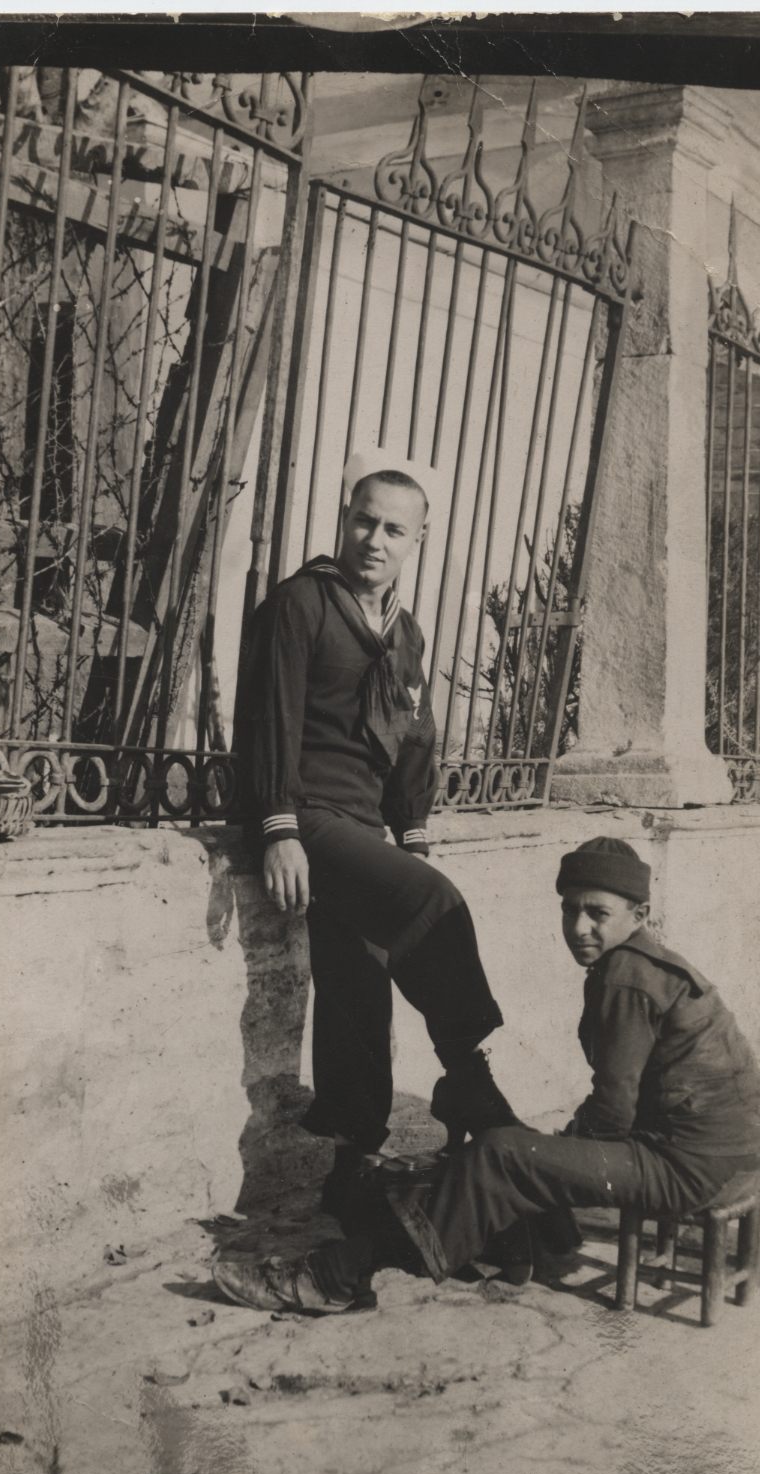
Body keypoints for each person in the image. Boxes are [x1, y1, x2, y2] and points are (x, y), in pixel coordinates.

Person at [212, 835, 760, 1314]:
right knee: (507, 1144)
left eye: (597, 913)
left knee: (500, 1157)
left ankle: (335, 1278)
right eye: (569, 908)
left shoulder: (625, 978)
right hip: (727, 1156)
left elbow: (614, 1114)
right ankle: (521, 1237)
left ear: (638, 915)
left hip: (691, 1168)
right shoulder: (642, 962)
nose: (579, 927)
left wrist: (529, 1160)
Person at [237, 448, 521, 1219]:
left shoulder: (406, 633)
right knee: (433, 901)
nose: (375, 539)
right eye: (364, 520)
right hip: (308, 815)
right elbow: (270, 718)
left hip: (362, 825)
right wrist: (278, 829)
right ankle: (466, 1070)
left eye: (395, 529)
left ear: (417, 541)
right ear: (344, 519)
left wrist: (414, 830)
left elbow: (415, 737)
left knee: (358, 988)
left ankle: (349, 1169)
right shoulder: (300, 604)